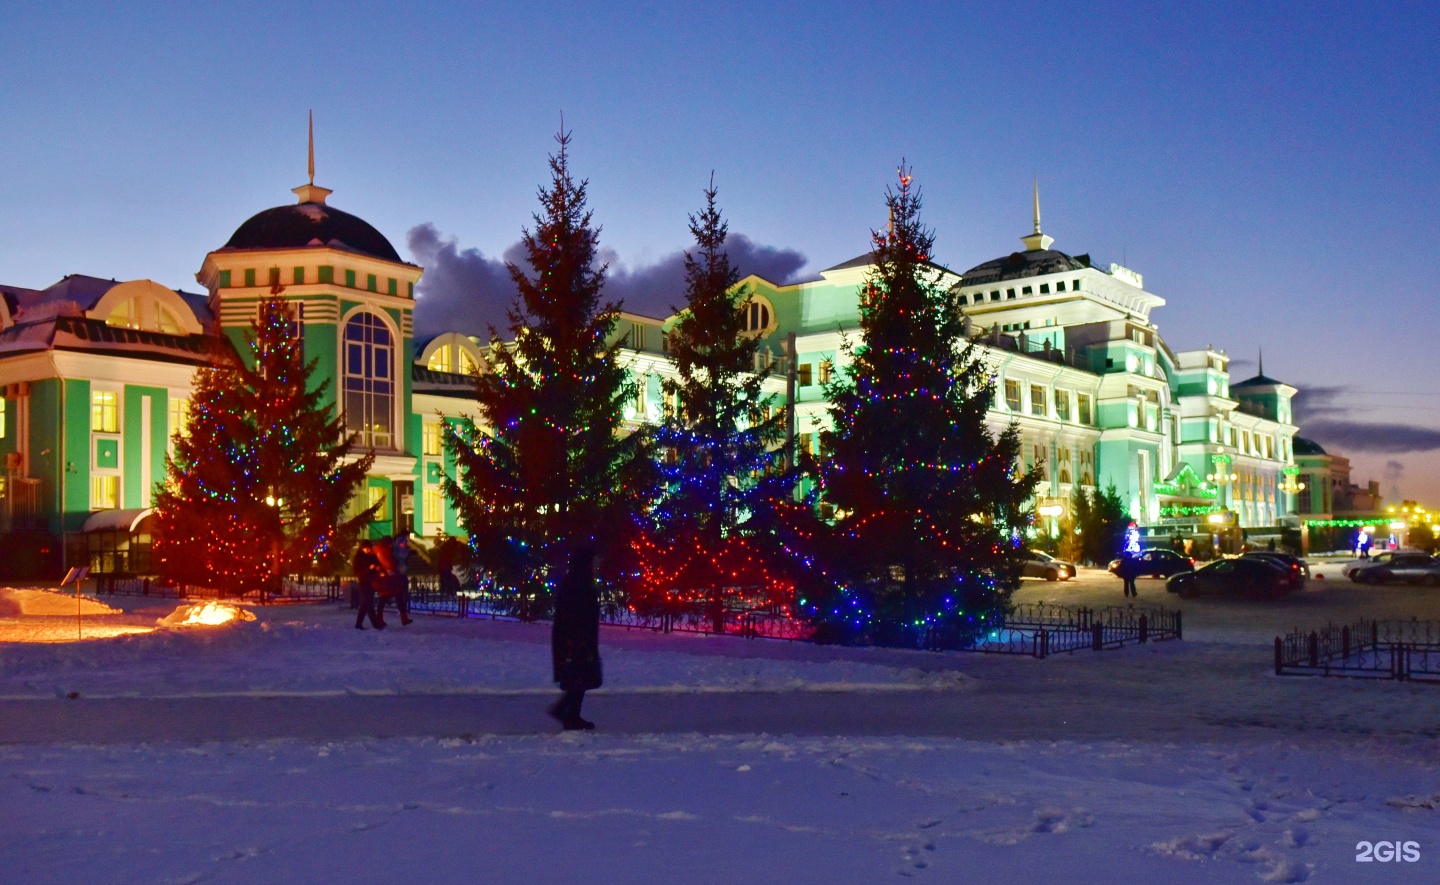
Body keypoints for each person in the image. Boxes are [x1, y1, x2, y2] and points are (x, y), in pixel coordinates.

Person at [549, 547, 602, 730]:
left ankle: (570, 714)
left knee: (581, 677)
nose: (597, 565)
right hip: (576, 638)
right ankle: (566, 712)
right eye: (594, 562)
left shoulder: (580, 581)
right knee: (581, 676)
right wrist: (578, 640)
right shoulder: (579, 583)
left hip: (578, 637)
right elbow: (575, 614)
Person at [352, 540, 383, 630]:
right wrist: (368, 569)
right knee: (368, 604)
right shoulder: (359, 557)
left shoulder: (372, 556)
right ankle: (376, 624)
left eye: (369, 548)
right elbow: (357, 571)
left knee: (365, 604)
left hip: (372, 582)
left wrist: (377, 568)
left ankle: (359, 624)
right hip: (364, 582)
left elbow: (377, 564)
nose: (368, 550)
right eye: (366, 548)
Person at [391, 530, 414, 625]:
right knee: (401, 593)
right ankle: (404, 617)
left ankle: (404, 617)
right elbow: (402, 554)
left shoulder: (397, 542)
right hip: (400, 571)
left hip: (399, 571)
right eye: (409, 536)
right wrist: (409, 553)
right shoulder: (402, 542)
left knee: (399, 594)